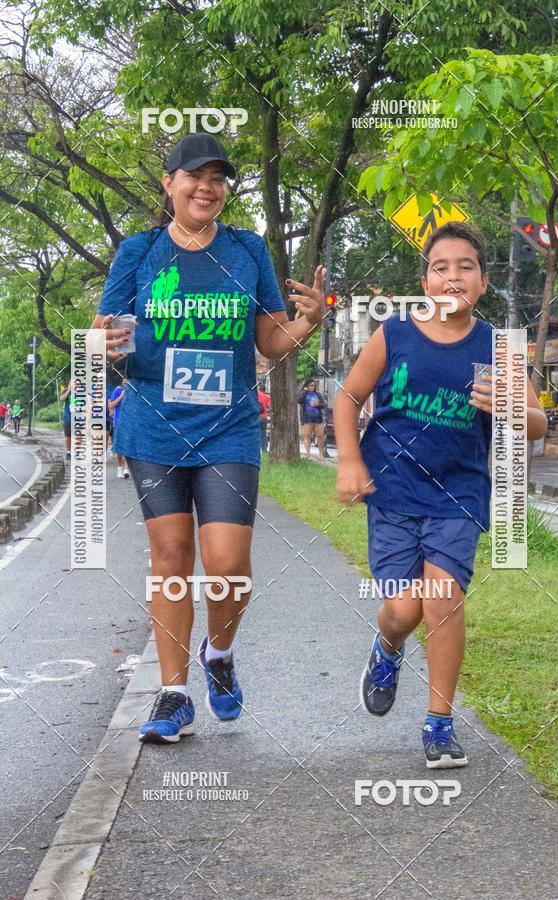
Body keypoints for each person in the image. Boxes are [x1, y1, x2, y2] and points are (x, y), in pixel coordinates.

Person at [92, 132, 326, 744]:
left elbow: (271, 343)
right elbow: (101, 334)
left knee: (227, 566)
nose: (207, 187)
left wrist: (309, 319)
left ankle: (218, 653)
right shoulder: (138, 254)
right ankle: (173, 695)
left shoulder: (247, 250)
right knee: (171, 558)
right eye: (194, 176)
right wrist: (101, 343)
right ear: (168, 184)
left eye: (218, 179)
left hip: (228, 428)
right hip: (152, 428)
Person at [334, 221, 547, 769]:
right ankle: (386, 649)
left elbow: (539, 422)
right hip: (394, 491)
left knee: (443, 599)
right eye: (441, 267)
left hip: (460, 492)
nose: (453, 276)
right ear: (425, 280)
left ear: (482, 283)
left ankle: (440, 724)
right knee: (403, 610)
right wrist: (351, 464)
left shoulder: (499, 346)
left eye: (466, 267)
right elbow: (348, 397)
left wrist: (509, 409)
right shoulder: (394, 335)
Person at [297, 378, 326, 460]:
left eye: (314, 385)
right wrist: (304, 391)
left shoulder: (317, 394)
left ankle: (321, 454)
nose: (312, 387)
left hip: (317, 418)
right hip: (307, 418)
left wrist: (317, 404)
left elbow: (323, 405)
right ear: (307, 385)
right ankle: (308, 455)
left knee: (320, 436)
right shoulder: (304, 393)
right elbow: (298, 400)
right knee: (307, 436)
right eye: (310, 385)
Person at [108, 378, 130, 478]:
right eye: (125, 380)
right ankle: (120, 467)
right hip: (118, 423)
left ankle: (127, 469)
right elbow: (111, 405)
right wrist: (121, 396)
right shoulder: (117, 390)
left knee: (128, 446)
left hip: (130, 423)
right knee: (119, 448)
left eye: (128, 380)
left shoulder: (134, 391)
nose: (126, 381)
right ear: (122, 381)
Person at [60, 381, 73, 459]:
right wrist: (69, 390)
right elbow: (62, 398)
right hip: (68, 417)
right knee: (68, 436)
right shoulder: (65, 391)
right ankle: (68, 452)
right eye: (72, 383)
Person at [257, 380, 270, 452]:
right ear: (265, 390)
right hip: (263, 417)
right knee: (263, 434)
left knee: (255, 433)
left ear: (259, 389)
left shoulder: (256, 394)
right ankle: (264, 450)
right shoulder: (267, 397)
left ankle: (255, 449)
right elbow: (270, 407)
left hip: (256, 416)